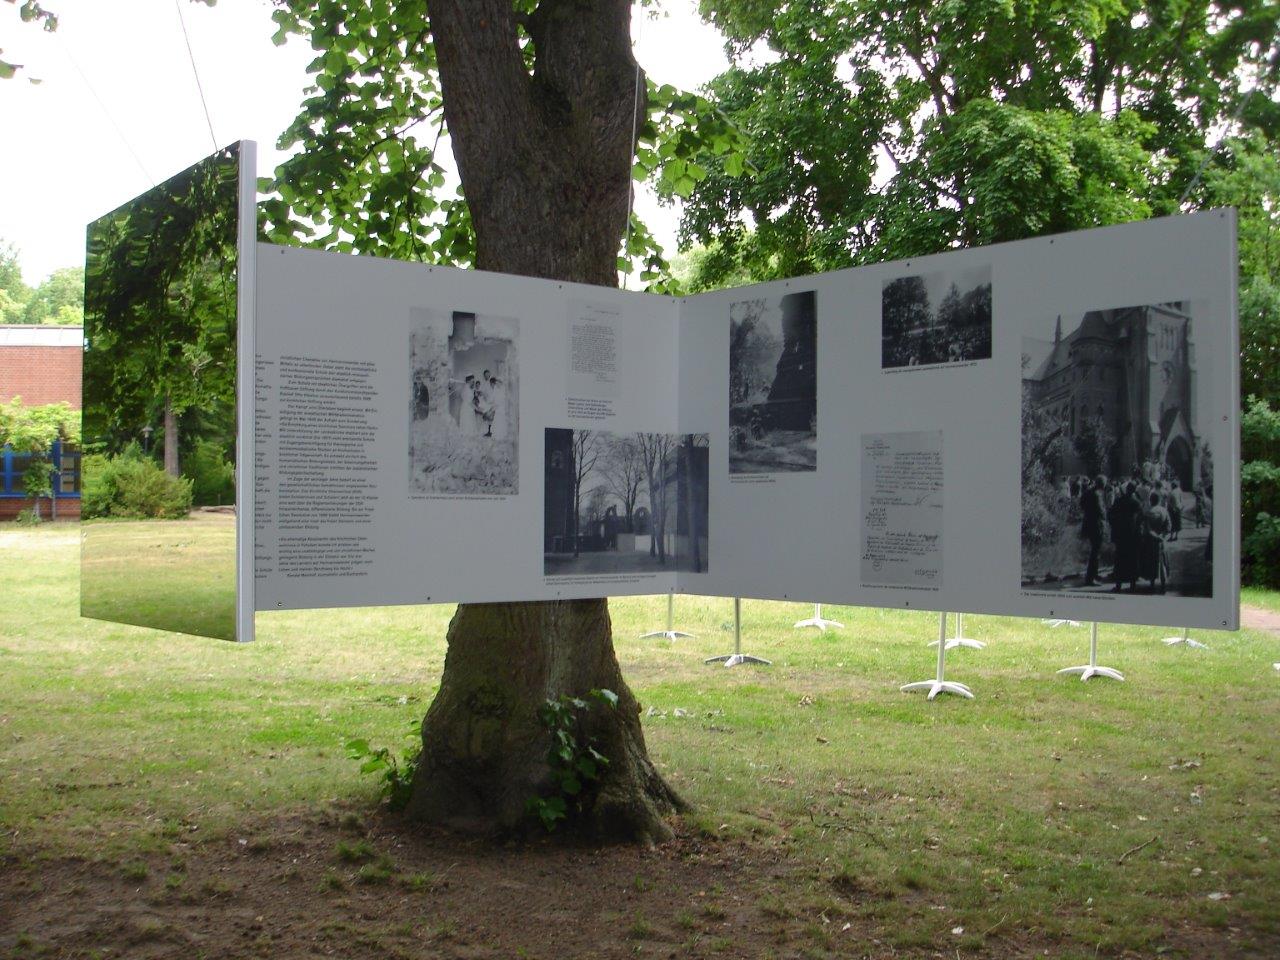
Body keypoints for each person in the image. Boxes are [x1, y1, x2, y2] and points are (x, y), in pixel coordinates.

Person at [1108, 481, 1142, 592]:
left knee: (1119, 559)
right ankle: (1132, 585)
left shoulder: (1118, 501)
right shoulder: (1136, 503)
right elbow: (1140, 520)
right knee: (1132, 559)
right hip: (1132, 534)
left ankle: (1118, 585)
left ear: (1126, 489)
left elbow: (1110, 515)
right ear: (1134, 491)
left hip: (1120, 534)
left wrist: (1114, 526)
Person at [1139, 490, 1170, 593]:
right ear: (1159, 500)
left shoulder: (1147, 512)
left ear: (1151, 501)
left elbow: (1145, 529)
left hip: (1150, 541)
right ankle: (1163, 584)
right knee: (1162, 563)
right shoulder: (1164, 511)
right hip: (1161, 540)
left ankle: (1152, 584)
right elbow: (1169, 527)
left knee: (1152, 562)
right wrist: (1163, 535)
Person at [1080, 475, 1106, 585]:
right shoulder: (1097, 495)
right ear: (1102, 484)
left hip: (1087, 523)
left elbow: (1081, 504)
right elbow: (1101, 511)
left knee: (1095, 550)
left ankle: (1094, 574)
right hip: (1096, 525)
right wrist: (1104, 517)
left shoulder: (1087, 492)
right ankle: (1090, 578)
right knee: (1095, 551)